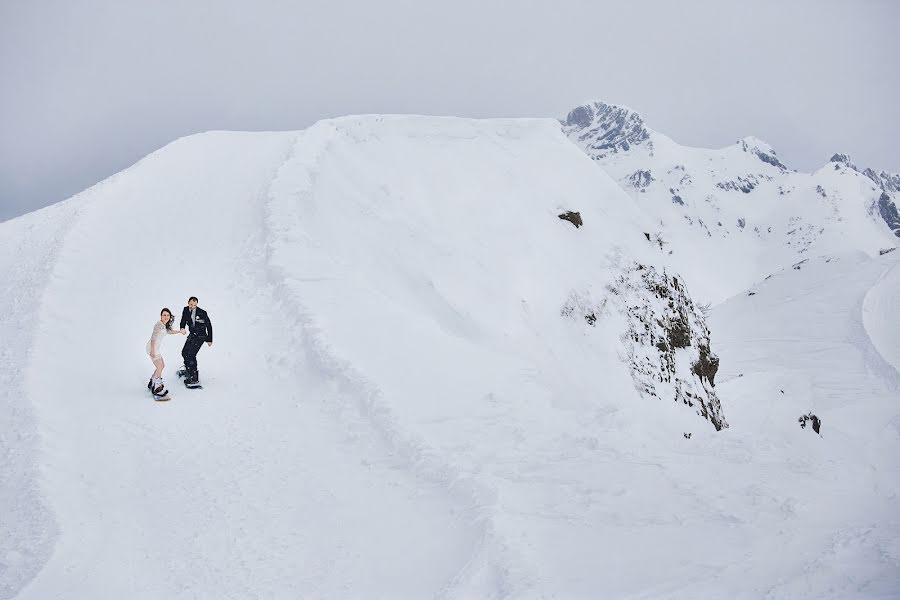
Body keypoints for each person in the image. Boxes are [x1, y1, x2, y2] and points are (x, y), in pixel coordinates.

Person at [146, 308, 186, 397]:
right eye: (164, 315)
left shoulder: (164, 325)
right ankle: (157, 387)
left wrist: (180, 331)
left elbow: (169, 331)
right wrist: (152, 350)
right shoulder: (158, 324)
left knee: (161, 366)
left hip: (155, 348)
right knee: (159, 366)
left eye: (168, 315)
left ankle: (152, 381)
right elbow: (153, 337)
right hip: (152, 348)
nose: (166, 317)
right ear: (161, 316)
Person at [179, 296, 213, 388]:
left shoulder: (202, 313)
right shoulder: (186, 310)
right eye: (191, 304)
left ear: (196, 304)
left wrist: (209, 339)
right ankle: (188, 370)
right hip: (192, 334)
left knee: (191, 355)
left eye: (194, 305)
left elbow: (209, 326)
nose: (192, 306)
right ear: (188, 303)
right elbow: (183, 320)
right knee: (184, 352)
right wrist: (182, 328)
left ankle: (194, 378)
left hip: (200, 336)